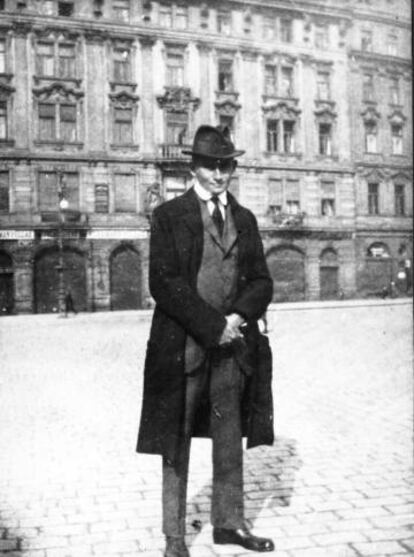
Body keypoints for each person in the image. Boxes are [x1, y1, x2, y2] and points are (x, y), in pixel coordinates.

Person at [137, 125, 275, 557]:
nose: (219, 174)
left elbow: (261, 281)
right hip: (184, 346)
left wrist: (237, 317)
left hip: (233, 347)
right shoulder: (168, 216)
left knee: (229, 436)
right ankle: (174, 538)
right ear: (193, 167)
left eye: (226, 166)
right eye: (210, 166)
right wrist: (212, 325)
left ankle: (229, 525)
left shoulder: (245, 219)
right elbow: (164, 283)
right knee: (174, 442)